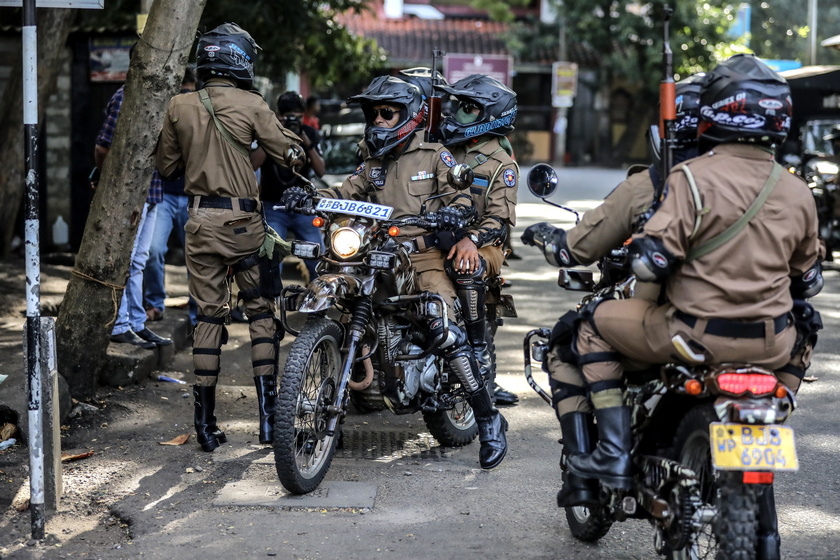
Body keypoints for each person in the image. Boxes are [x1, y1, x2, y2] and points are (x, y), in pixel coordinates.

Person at [554, 55, 822, 559]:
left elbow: (652, 262)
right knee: (806, 328)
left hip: (692, 335)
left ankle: (611, 454)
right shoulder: (797, 189)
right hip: (772, 346)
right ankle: (777, 407)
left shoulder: (691, 178)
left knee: (585, 329)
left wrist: (648, 254)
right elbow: (809, 279)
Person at [282, 75, 508, 470]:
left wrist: (455, 210)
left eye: (389, 113)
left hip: (422, 260)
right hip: (373, 254)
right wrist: (312, 197)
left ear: (412, 114)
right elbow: (344, 191)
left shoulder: (437, 155)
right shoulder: (373, 163)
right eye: (375, 113)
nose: (380, 120)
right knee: (342, 300)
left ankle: (488, 419)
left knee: (442, 327)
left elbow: (459, 195)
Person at [521, 73, 704, 506]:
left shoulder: (654, 185)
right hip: (767, 338)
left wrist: (550, 238)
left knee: (571, 336)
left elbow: (573, 250)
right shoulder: (779, 186)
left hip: (677, 327)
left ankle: (604, 463)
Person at [156, 23, 304, 452]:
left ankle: (204, 425)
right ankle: (267, 420)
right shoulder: (253, 104)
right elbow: (289, 156)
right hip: (244, 227)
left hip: (200, 224)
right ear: (240, 59)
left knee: (208, 318)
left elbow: (166, 168)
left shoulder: (179, 106)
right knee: (259, 313)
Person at [435, 73, 520, 406]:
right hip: (437, 235)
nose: (457, 114)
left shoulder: (502, 163)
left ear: (489, 116)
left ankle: (481, 366)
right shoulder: (441, 148)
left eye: (468, 108)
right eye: (458, 106)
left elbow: (499, 220)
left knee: (466, 267)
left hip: (484, 244)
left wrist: (472, 238)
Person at [94, 47, 172, 351]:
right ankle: (122, 323)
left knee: (139, 259)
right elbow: (102, 148)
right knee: (125, 261)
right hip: (129, 194)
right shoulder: (123, 97)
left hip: (153, 191)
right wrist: (113, 184)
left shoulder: (163, 99)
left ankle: (137, 323)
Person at [143, 66, 198, 325]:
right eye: (181, 92)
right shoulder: (164, 112)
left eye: (190, 92)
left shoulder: (201, 116)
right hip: (162, 194)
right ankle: (155, 303)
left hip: (192, 197)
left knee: (196, 256)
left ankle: (198, 313)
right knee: (153, 250)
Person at [254, 91, 326, 282]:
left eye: (298, 117)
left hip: (304, 208)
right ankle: (272, 306)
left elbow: (321, 170)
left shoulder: (309, 133)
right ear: (278, 115)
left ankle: (319, 305)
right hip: (274, 206)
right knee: (271, 257)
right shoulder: (269, 134)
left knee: (318, 259)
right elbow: (252, 164)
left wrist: (306, 141)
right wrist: (273, 135)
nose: (294, 121)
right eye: (289, 117)